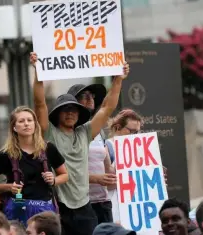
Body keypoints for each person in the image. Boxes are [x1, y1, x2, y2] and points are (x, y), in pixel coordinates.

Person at [31, 52, 130, 235]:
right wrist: (38, 73)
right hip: (58, 206)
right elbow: (40, 104)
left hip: (85, 206)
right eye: (65, 110)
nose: (70, 113)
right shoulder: (49, 132)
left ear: (80, 114)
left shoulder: (85, 132)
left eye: (74, 110)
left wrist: (118, 79)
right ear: (57, 113)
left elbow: (107, 107)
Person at [0, 106, 68, 224]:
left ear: (35, 124)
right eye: (21, 121)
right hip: (18, 209)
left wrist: (54, 180)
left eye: (29, 120)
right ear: (14, 127)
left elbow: (65, 175)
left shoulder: (48, 148)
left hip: (45, 212)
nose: (26, 124)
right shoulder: (5, 154)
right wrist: (9, 187)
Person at [104, 108, 169, 223]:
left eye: (137, 132)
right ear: (117, 127)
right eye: (131, 131)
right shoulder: (108, 148)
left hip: (142, 211)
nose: (135, 135)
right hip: (118, 209)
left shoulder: (141, 149)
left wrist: (157, 180)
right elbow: (106, 185)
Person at [67, 83, 116, 224]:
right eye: (84, 95)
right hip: (79, 206)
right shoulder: (66, 132)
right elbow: (63, 174)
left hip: (102, 204)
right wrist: (95, 178)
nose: (90, 99)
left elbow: (109, 172)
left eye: (92, 96)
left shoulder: (99, 132)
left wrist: (142, 173)